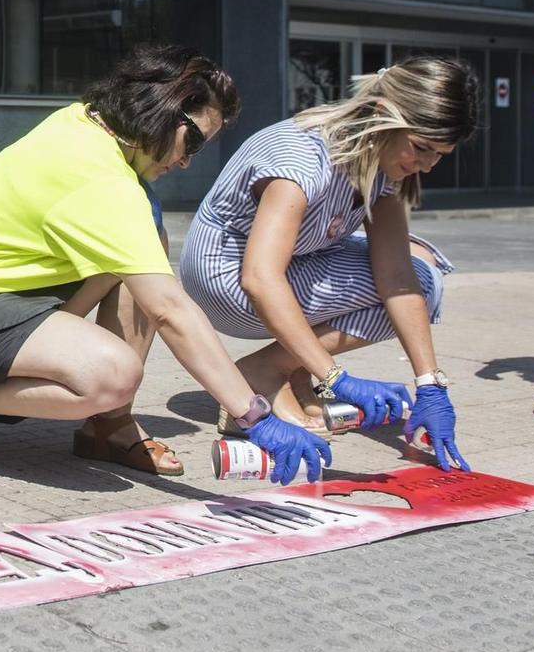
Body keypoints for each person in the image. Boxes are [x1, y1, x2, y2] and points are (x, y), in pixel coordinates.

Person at [0, 45, 331, 486]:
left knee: (146, 246)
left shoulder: (89, 123)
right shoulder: (96, 178)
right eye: (192, 141)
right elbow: (171, 312)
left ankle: (109, 424)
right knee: (112, 375)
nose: (186, 161)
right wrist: (253, 415)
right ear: (162, 110)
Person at [179, 57, 480, 472]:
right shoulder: (302, 161)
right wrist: (336, 377)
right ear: (381, 116)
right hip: (225, 277)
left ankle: (292, 371)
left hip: (290, 264)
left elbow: (396, 274)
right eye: (422, 148)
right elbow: (260, 278)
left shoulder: (384, 160)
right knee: (420, 280)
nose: (428, 165)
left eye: (441, 154)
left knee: (422, 274)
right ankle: (265, 371)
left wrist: (430, 384)